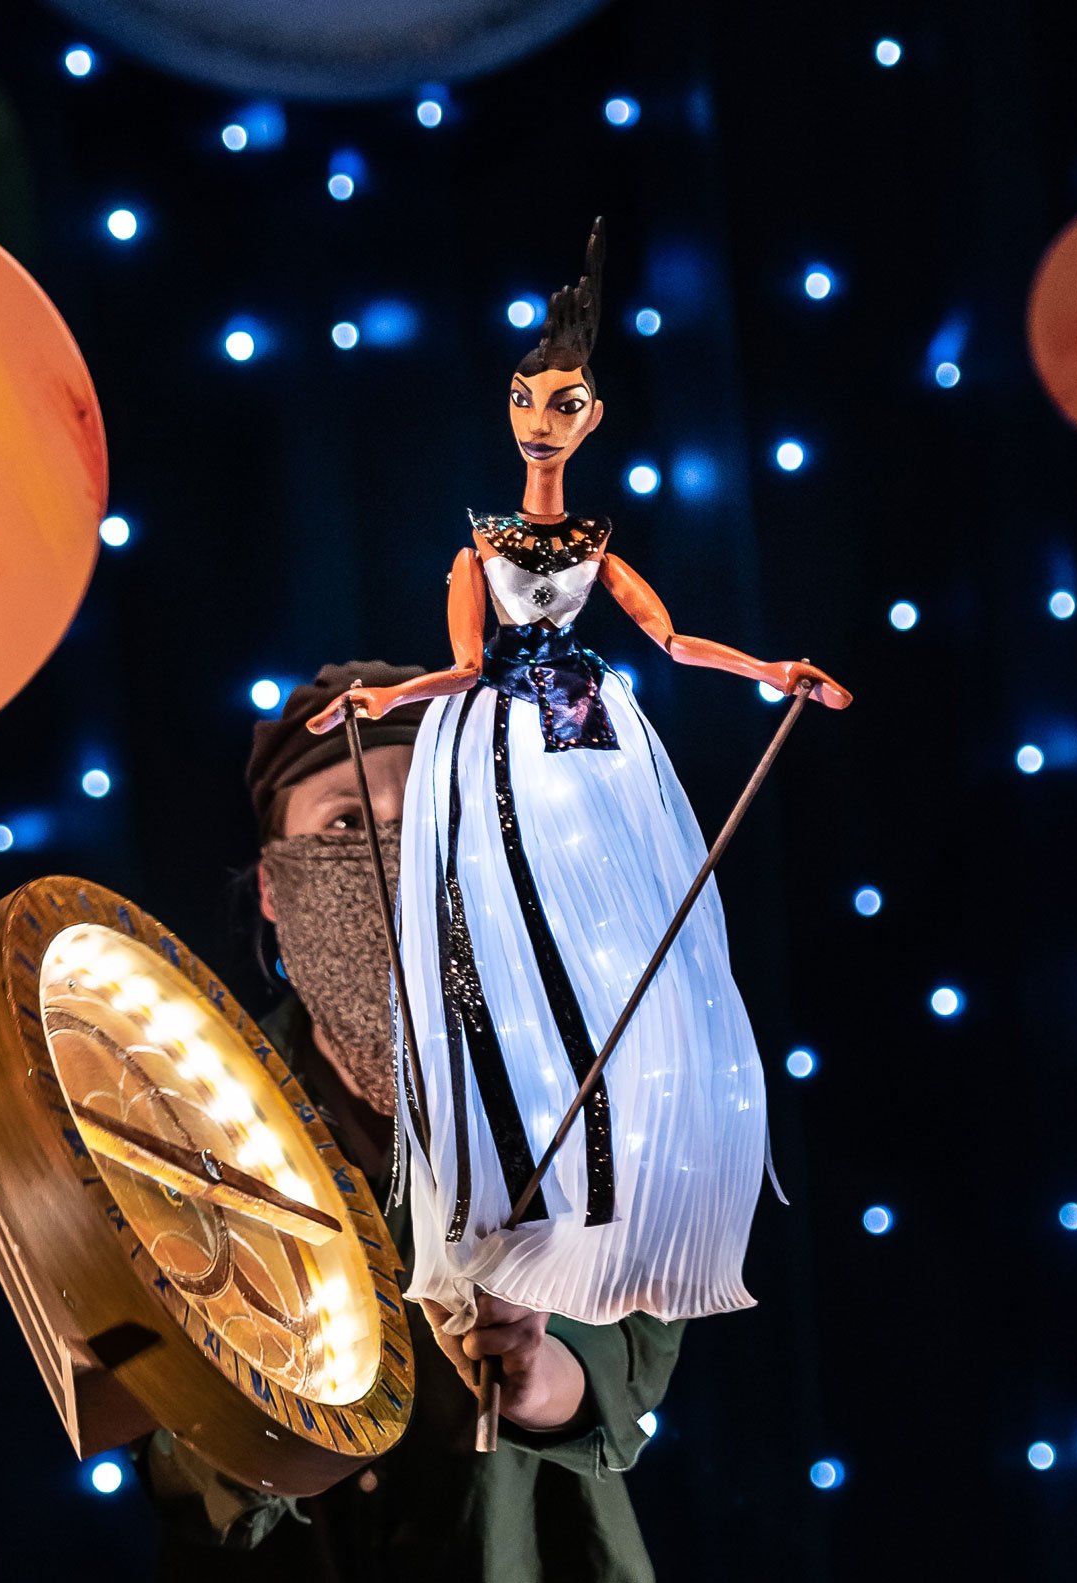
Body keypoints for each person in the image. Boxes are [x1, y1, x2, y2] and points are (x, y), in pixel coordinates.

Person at [306, 221, 849, 1332]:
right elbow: (460, 663)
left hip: (594, 736)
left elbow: (675, 642)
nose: (540, 420)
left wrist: (769, 668)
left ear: (591, 417)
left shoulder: (595, 545)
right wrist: (378, 700)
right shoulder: (479, 546)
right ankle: (503, 1197)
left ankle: (619, 1210)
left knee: (613, 944)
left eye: (562, 404)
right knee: (502, 942)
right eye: (525, 398)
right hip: (499, 743)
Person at [138, 662, 681, 1583]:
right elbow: (180, 1479)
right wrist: (247, 1404)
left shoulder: (581, 1088)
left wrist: (534, 1370)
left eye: (427, 818)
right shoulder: (183, 1110)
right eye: (346, 823)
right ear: (275, 886)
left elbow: (622, 1378)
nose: (388, 851)